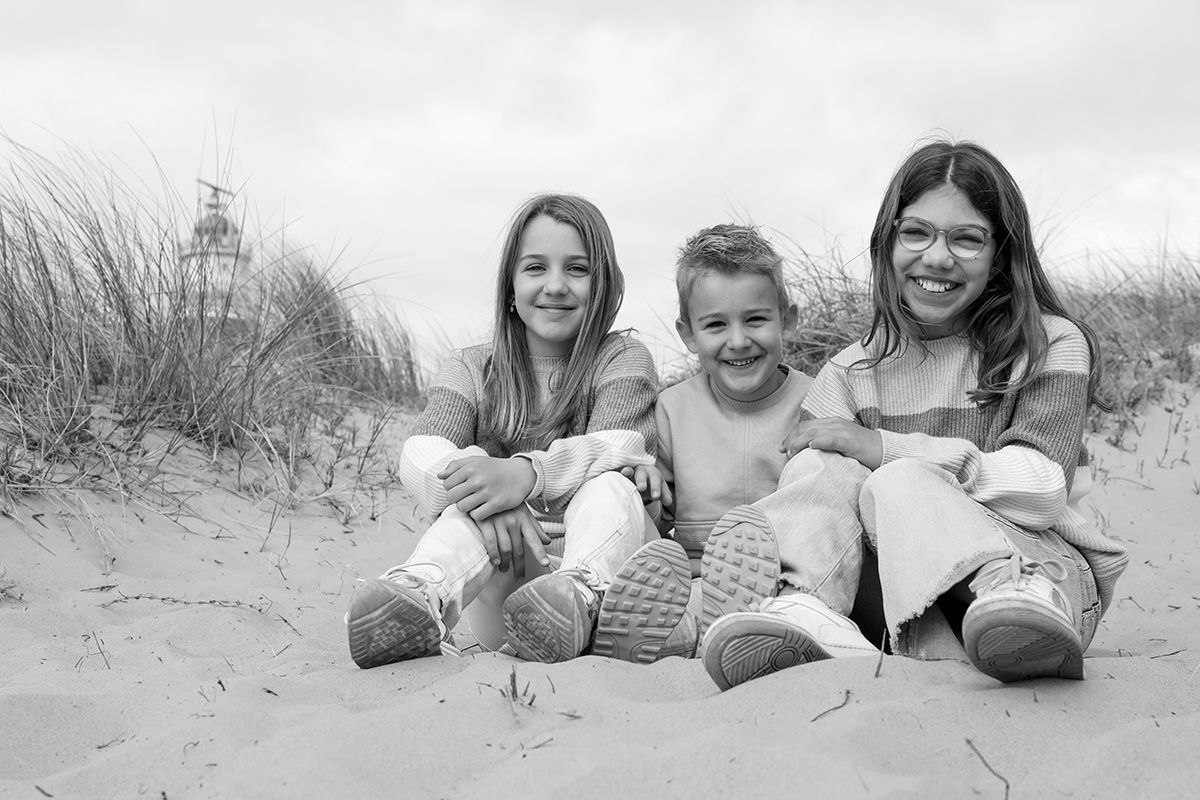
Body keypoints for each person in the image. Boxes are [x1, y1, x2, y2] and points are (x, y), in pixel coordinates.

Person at [700, 140, 1129, 690]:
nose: (938, 257)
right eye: (917, 232)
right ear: (888, 241)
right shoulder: (850, 371)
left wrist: (889, 449)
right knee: (817, 464)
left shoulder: (1048, 343)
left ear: (1000, 254)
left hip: (1043, 583)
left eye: (967, 239)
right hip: (911, 605)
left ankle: (1005, 595)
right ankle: (807, 609)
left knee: (900, 478)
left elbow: (1044, 488)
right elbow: (814, 493)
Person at [346, 193, 659, 667]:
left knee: (612, 483)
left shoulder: (621, 358)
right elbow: (420, 450)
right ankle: (420, 595)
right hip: (506, 587)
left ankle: (579, 596)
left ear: (605, 286)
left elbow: (621, 445)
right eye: (535, 268)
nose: (555, 285)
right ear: (510, 287)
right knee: (466, 509)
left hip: (606, 581)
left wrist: (526, 475)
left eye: (577, 269)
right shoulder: (472, 367)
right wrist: (488, 496)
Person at [590, 223, 814, 664]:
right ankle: (669, 636)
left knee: (791, 609)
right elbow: (659, 514)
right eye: (715, 325)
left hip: (790, 576)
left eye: (756, 319)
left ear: (787, 318)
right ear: (689, 333)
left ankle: (734, 632)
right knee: (680, 614)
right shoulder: (673, 408)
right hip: (695, 576)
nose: (737, 340)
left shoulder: (815, 399)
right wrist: (647, 489)